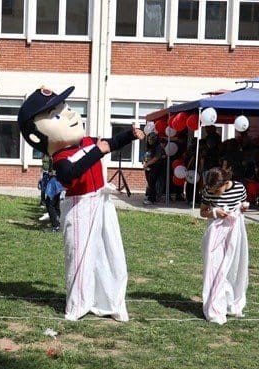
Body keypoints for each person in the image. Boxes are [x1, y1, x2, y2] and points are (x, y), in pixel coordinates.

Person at [18, 86, 145, 322]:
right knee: (80, 256)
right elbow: (70, 175)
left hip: (101, 202)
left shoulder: (86, 141)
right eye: (57, 115)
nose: (69, 115)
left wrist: (129, 135)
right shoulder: (60, 158)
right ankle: (78, 303)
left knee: (109, 251)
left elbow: (110, 143)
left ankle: (110, 301)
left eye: (65, 109)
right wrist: (97, 152)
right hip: (80, 207)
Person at [199, 167, 249, 325]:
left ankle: (230, 301)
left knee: (232, 266)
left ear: (225, 183)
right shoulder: (208, 191)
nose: (214, 192)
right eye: (212, 190)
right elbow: (202, 211)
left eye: (217, 190)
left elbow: (243, 204)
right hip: (216, 231)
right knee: (215, 266)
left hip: (235, 231)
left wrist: (243, 207)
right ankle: (214, 303)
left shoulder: (239, 187)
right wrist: (214, 213)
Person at [142, 132, 166, 205]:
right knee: (149, 182)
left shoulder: (158, 147)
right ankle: (150, 195)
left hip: (155, 167)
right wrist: (144, 162)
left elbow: (156, 158)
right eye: (148, 139)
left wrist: (147, 164)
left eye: (151, 139)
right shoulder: (148, 146)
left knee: (152, 183)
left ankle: (151, 199)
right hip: (148, 167)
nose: (149, 141)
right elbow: (145, 155)